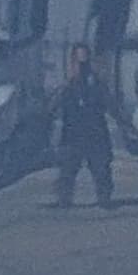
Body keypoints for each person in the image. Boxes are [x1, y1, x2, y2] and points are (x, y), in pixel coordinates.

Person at [51, 42, 112, 207]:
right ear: (73, 62)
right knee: (67, 173)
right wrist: (68, 83)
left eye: (85, 61)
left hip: (96, 133)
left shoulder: (97, 83)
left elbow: (108, 104)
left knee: (102, 172)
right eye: (79, 61)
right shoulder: (67, 85)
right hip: (72, 135)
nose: (83, 66)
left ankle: (104, 201)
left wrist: (99, 81)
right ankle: (64, 202)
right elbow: (52, 107)